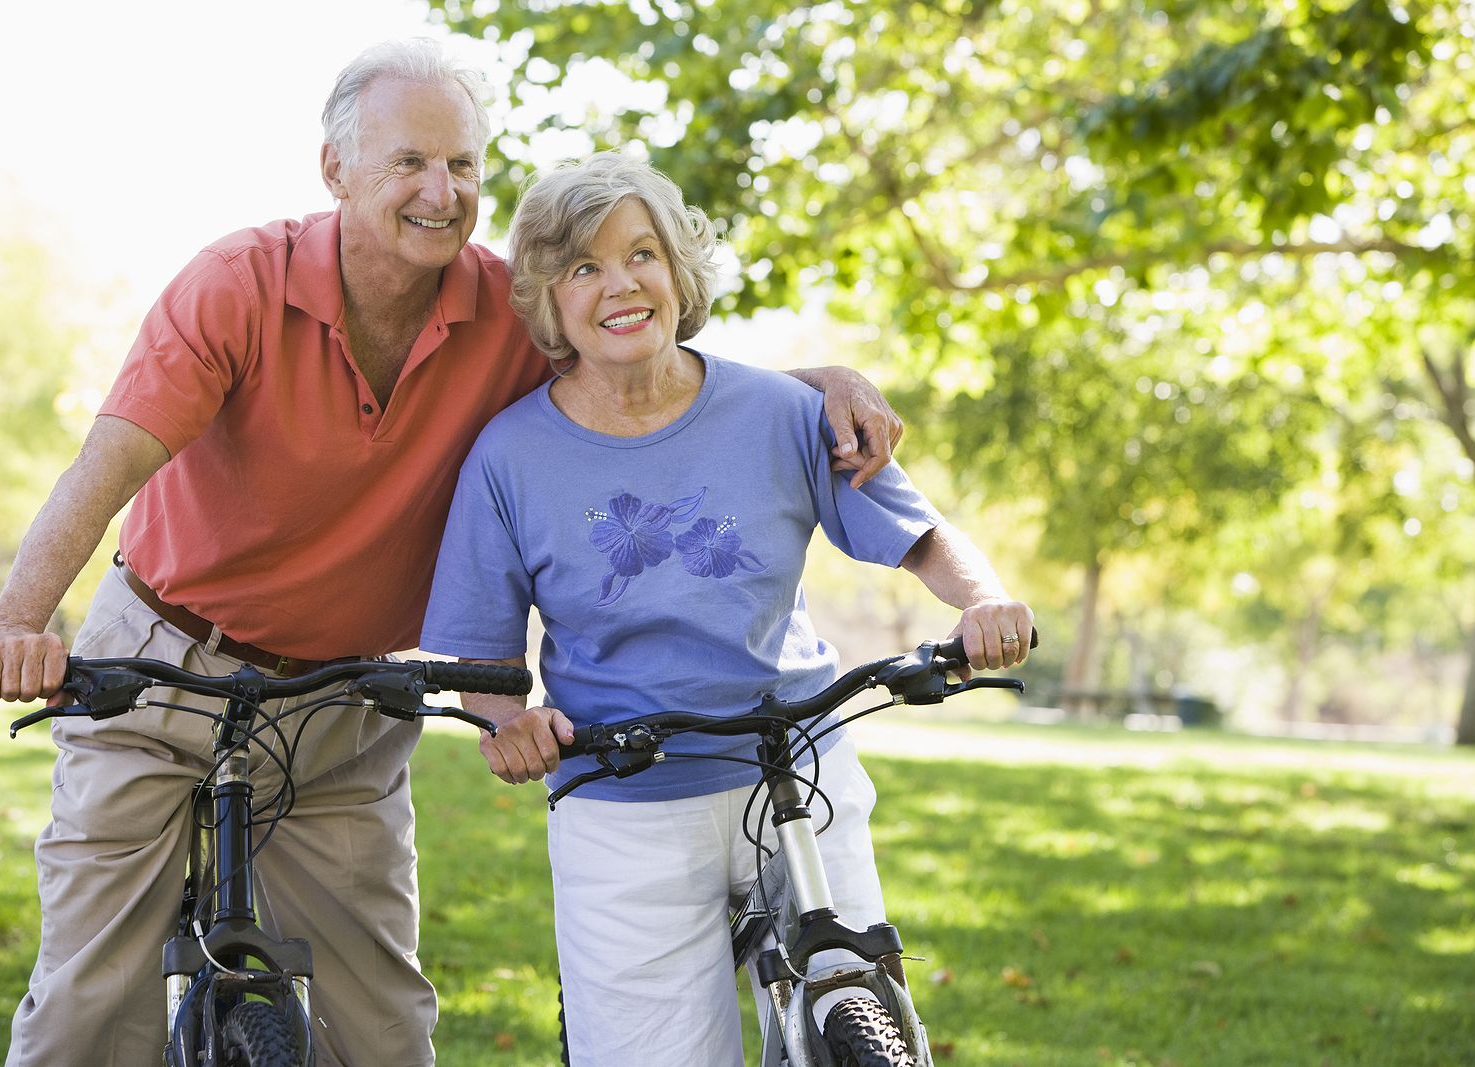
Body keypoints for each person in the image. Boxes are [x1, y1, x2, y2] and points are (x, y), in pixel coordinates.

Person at [0, 41, 902, 1067]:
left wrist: (814, 382)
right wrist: (19, 618)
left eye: (461, 165)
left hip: (346, 700)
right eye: (409, 162)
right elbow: (112, 460)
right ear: (336, 170)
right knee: (89, 1007)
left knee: (381, 1028)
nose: (440, 190)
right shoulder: (237, 285)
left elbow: (646, 360)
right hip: (159, 669)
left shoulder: (506, 314)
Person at [419, 152, 1035, 1066]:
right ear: (550, 301)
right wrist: (509, 723)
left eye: (642, 254)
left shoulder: (784, 411)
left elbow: (921, 534)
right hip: (622, 795)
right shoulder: (508, 457)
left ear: (678, 270)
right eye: (584, 267)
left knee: (864, 1017)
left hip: (799, 769)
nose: (620, 283)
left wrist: (984, 599)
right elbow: (474, 654)